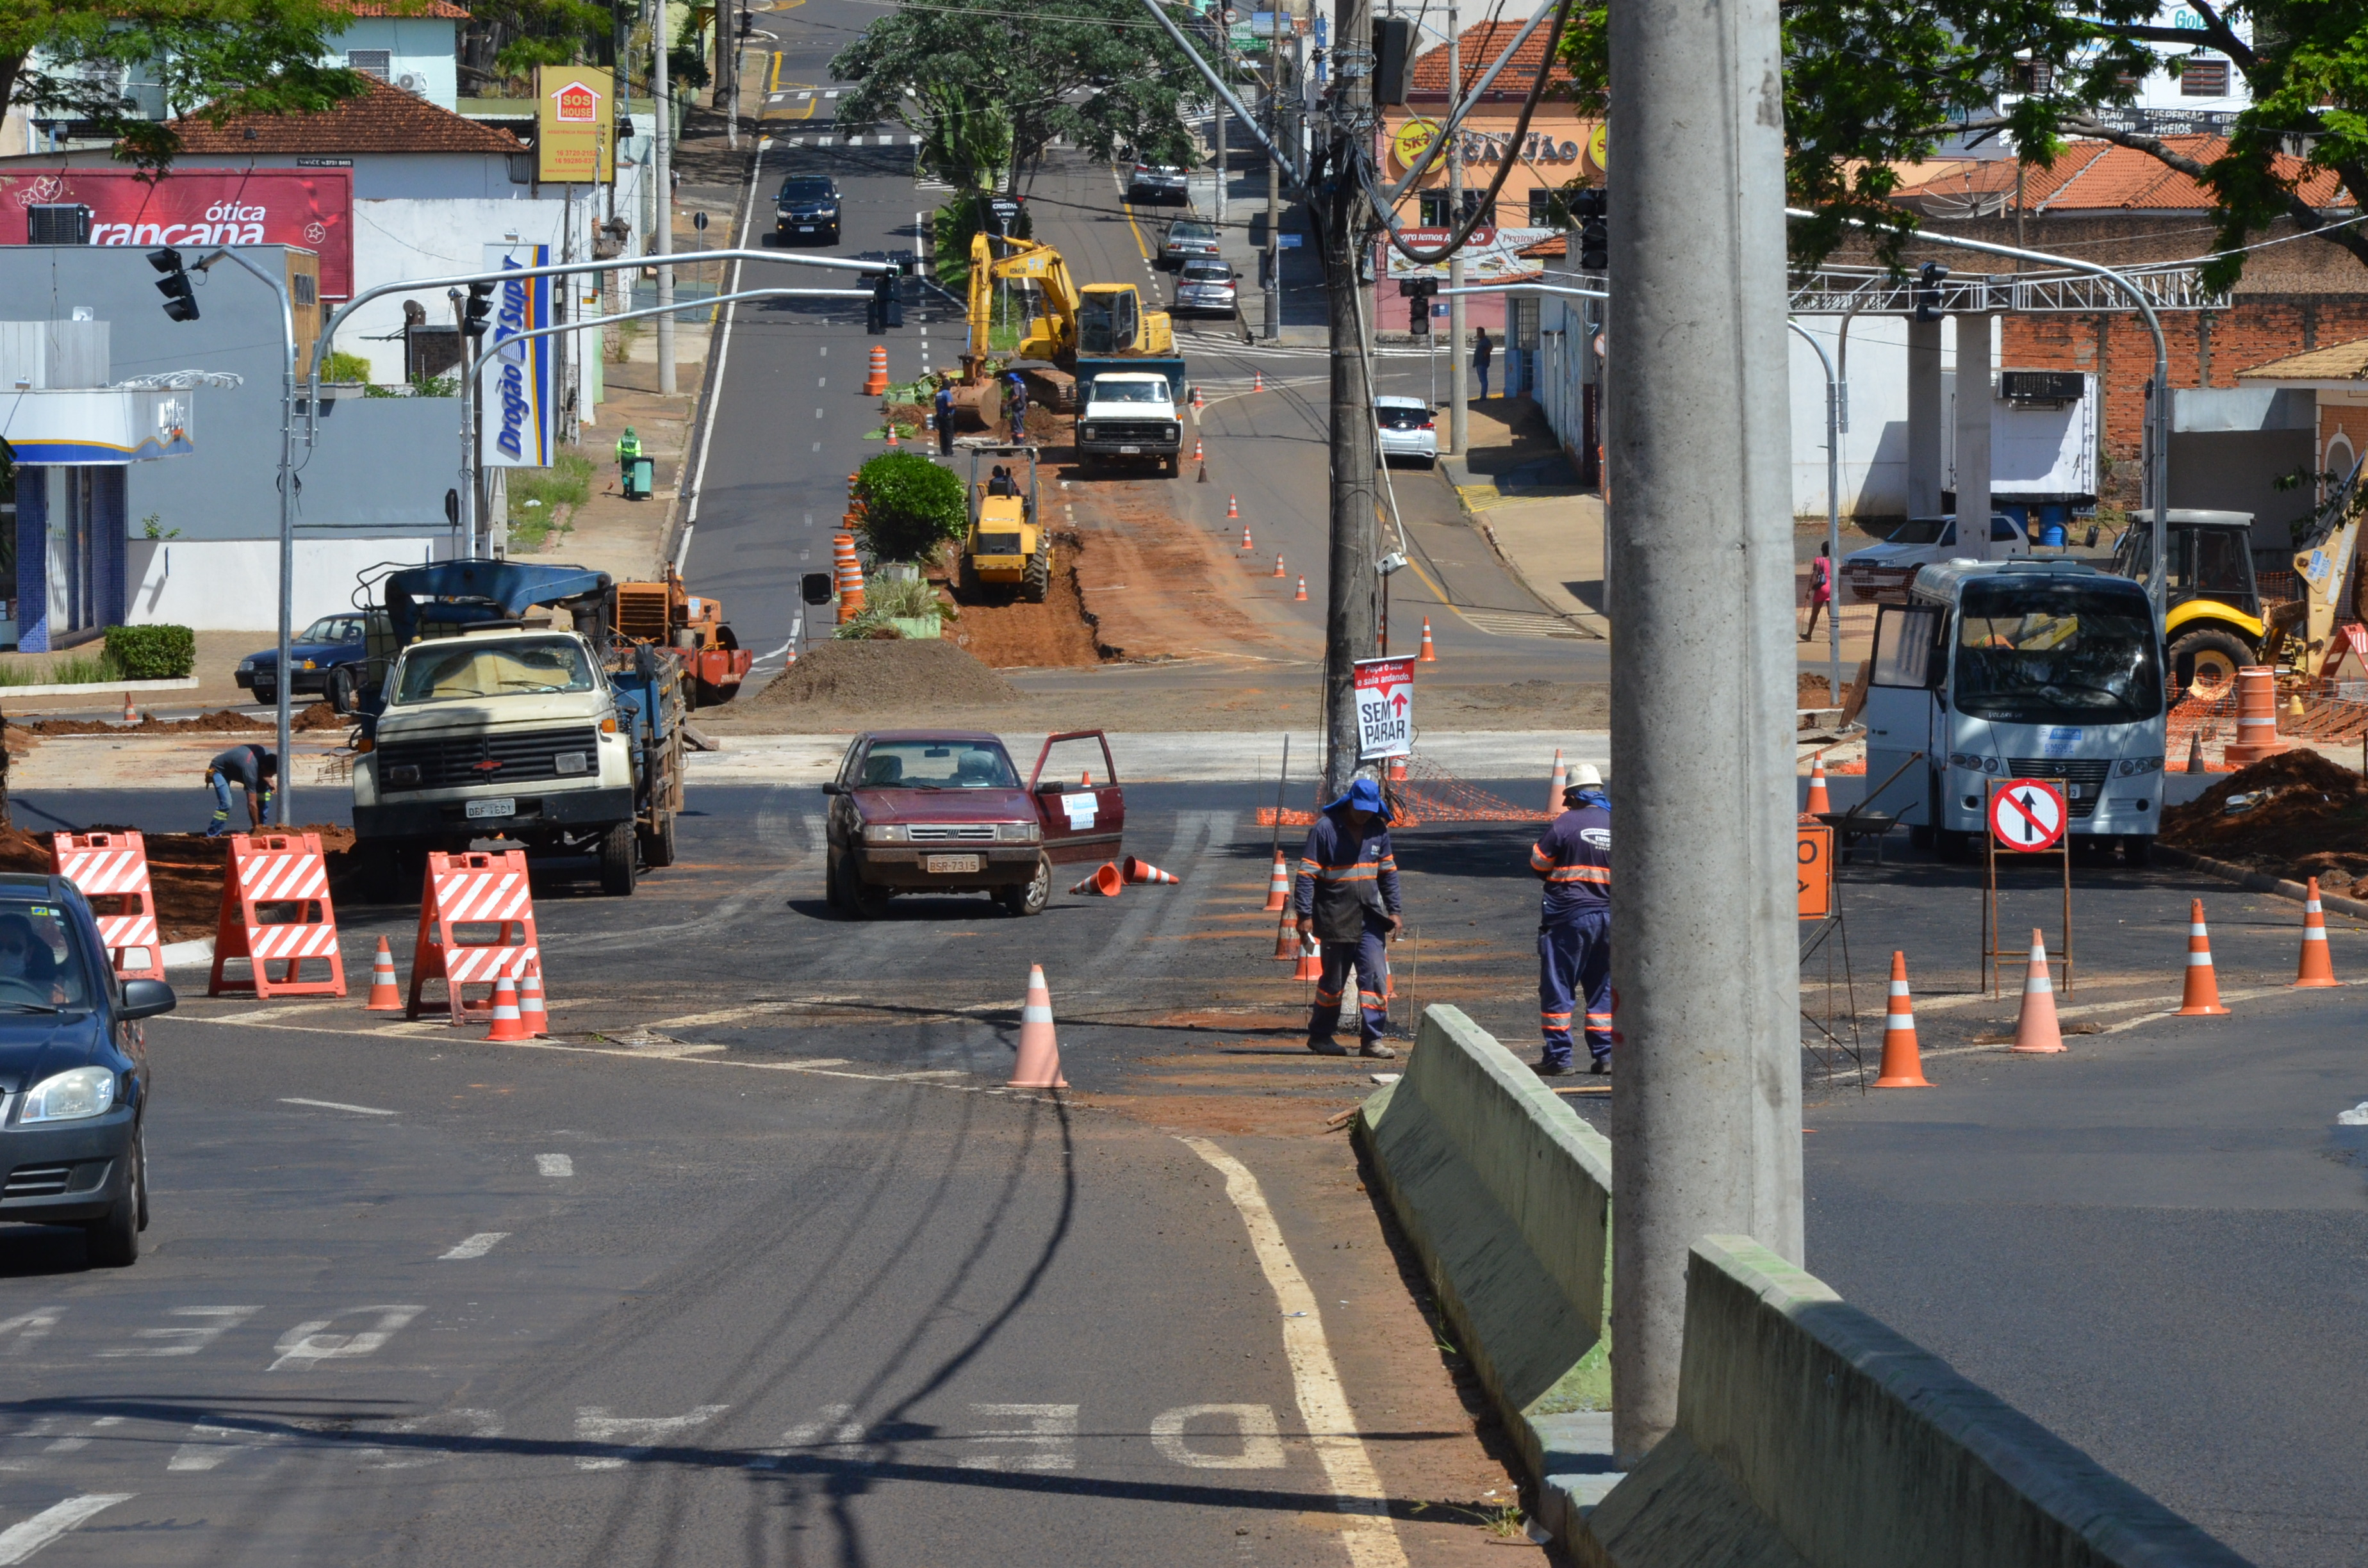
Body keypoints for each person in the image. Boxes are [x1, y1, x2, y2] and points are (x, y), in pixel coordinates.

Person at [1294, 774, 1402, 1059]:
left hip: (1370, 919)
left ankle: (1372, 1040)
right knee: (1332, 984)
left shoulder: (1378, 830)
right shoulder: (1325, 830)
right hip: (1335, 919)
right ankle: (1320, 1036)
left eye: (1370, 810)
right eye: (1360, 809)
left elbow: (1388, 874)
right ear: (1350, 803)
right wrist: (1304, 915)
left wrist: (1395, 911)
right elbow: (1306, 876)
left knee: (1376, 979)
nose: (1365, 815)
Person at [1531, 763, 1611, 1076]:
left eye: (1568, 798)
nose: (1565, 803)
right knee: (1603, 987)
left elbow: (1539, 863)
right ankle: (1606, 1056)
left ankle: (1559, 1058)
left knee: (1558, 986)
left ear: (1575, 796)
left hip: (1569, 918)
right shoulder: (1616, 822)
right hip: (1610, 919)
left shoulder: (1566, 823)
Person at [205, 744, 278, 836]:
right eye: (271, 774)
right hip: (220, 771)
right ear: (263, 767)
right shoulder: (250, 771)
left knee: (264, 794)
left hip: (240, 768)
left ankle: (262, 827)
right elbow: (252, 803)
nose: (271, 776)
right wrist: (256, 827)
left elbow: (263, 771)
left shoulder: (267, 755)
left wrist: (268, 780)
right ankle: (213, 834)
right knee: (226, 804)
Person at [1802, 541, 1833, 642]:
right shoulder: (1834, 562)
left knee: (1815, 614)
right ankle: (1833, 636)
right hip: (1832, 589)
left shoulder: (1819, 560)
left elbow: (1815, 575)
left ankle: (1809, 635)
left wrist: (1809, 590)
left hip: (1821, 589)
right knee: (1832, 614)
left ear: (1822, 549)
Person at [934, 382, 957, 456]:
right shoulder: (947, 393)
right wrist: (955, 404)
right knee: (949, 434)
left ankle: (943, 451)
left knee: (942, 434)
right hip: (948, 416)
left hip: (940, 416)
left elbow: (936, 405)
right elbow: (949, 404)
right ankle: (949, 452)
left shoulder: (938, 394)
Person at [1473, 326, 1494, 402]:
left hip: (1482, 363)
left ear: (1483, 333)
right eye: (1477, 333)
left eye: (1479, 333)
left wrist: (1485, 354)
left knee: (1483, 380)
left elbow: (1490, 347)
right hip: (1479, 363)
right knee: (1482, 380)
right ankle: (1483, 395)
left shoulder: (1485, 340)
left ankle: (1483, 396)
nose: (1478, 334)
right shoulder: (1481, 341)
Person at [1007, 373, 1029, 442]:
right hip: (1022, 408)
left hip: (1017, 409)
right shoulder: (1023, 385)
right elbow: (1027, 394)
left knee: (1018, 426)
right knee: (1015, 426)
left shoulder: (1016, 385)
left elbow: (1017, 396)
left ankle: (1020, 443)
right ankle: (1016, 441)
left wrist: (1008, 404)